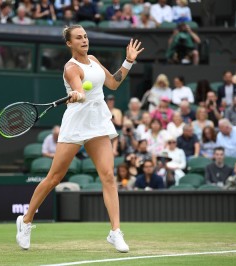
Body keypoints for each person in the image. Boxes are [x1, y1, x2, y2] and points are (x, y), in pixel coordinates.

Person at [15, 25, 144, 252]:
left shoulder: (93, 59)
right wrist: (77, 94)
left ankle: (115, 232)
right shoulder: (70, 68)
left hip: (98, 122)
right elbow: (80, 92)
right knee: (54, 177)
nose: (84, 40)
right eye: (78, 38)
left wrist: (128, 61)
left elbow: (113, 83)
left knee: (108, 177)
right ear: (69, 43)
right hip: (76, 124)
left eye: (85, 36)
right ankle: (25, 221)